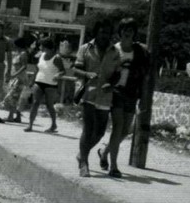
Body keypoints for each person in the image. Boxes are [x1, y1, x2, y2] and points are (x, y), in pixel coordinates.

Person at [98, 18, 150, 178]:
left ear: (134, 32)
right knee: (118, 127)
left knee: (125, 131)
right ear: (120, 32)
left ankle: (104, 152)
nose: (128, 33)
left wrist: (143, 96)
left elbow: (144, 74)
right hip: (116, 92)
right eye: (125, 30)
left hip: (132, 93)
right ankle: (114, 166)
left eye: (131, 30)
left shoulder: (140, 51)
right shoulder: (113, 50)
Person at [72, 20, 120, 177]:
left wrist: (111, 84)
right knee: (88, 129)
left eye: (107, 32)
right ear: (96, 33)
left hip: (106, 96)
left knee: (99, 133)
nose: (104, 35)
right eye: (102, 32)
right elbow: (75, 70)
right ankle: (84, 163)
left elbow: (117, 74)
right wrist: (87, 74)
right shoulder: (85, 49)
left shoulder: (114, 51)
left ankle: (81, 153)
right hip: (89, 93)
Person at [24, 37, 65, 133]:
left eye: (41, 45)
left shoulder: (56, 58)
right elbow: (37, 69)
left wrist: (58, 75)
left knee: (49, 105)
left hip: (50, 84)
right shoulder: (41, 55)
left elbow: (63, 71)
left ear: (46, 46)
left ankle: (53, 125)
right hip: (39, 81)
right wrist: (32, 80)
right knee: (35, 103)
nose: (40, 47)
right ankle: (30, 125)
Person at [2, 36, 33, 123]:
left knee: (13, 97)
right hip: (15, 78)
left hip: (20, 78)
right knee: (16, 97)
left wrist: (14, 75)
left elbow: (24, 66)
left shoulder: (23, 54)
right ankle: (17, 117)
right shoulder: (17, 53)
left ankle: (11, 116)